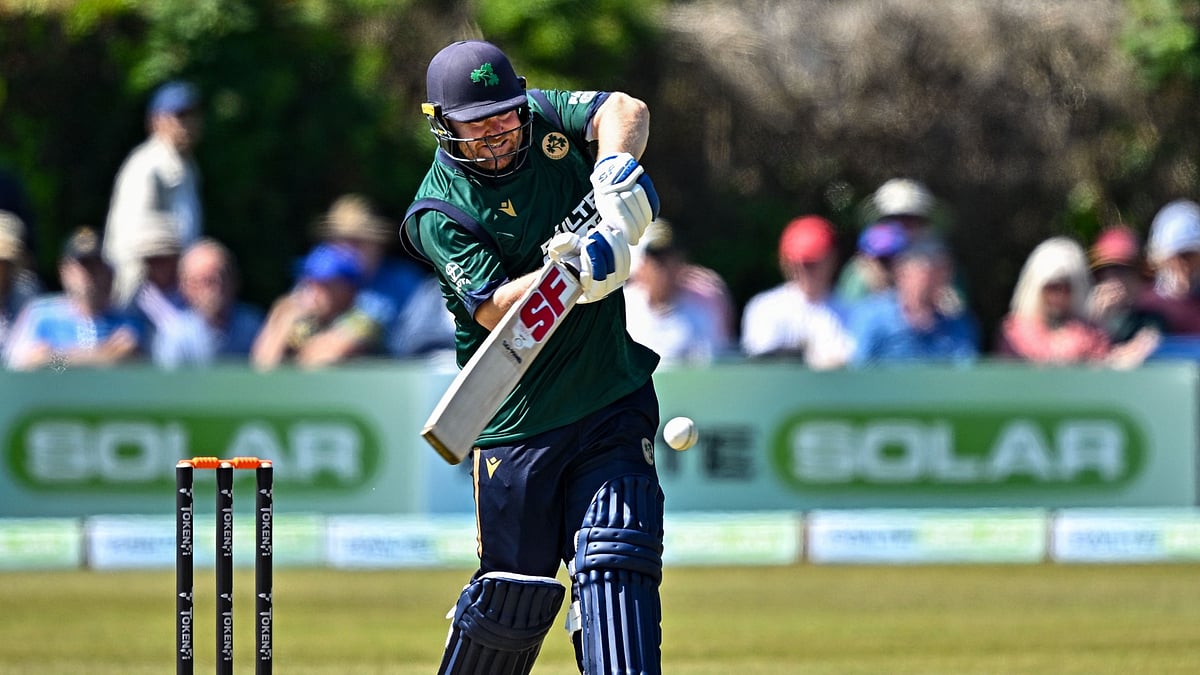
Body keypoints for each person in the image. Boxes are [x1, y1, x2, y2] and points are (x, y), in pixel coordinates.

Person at [401, 40, 665, 674]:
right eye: (477, 122)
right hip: (515, 423)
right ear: (443, 125)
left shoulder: (542, 118)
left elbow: (625, 108)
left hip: (609, 398)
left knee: (616, 565)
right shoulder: (439, 210)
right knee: (512, 605)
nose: (497, 132)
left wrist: (613, 170)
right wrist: (573, 266)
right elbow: (495, 308)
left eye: (505, 114)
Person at [313, 194, 454, 357]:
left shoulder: (397, 282)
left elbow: (326, 355)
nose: (346, 251)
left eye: (357, 242)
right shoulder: (320, 285)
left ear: (378, 245)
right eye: (339, 241)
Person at [103, 80, 204, 306]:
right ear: (156, 121)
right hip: (145, 287)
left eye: (193, 115)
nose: (188, 124)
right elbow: (134, 239)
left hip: (175, 284)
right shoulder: (148, 166)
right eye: (179, 116)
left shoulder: (186, 166)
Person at [997, 236, 1158, 368]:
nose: (1059, 295)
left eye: (1067, 287)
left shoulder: (1089, 335)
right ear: (1036, 288)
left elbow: (1106, 369)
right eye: (1052, 287)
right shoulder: (1013, 335)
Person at [4, 227, 142, 370]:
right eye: (83, 265)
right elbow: (22, 363)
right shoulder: (41, 314)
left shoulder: (126, 322)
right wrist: (104, 356)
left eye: (96, 265)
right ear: (64, 271)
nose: (90, 274)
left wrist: (55, 357)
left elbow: (136, 360)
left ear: (110, 272)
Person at [741, 215, 855, 369]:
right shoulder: (765, 307)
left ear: (832, 258)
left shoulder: (851, 309)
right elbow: (761, 362)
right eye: (799, 263)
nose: (805, 270)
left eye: (813, 263)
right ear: (785, 263)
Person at [849, 238, 979, 366]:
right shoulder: (872, 317)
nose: (936, 280)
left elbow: (965, 371)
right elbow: (857, 369)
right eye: (927, 271)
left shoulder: (957, 324)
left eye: (943, 271)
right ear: (902, 273)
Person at [251, 242, 378, 370]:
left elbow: (318, 361)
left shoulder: (363, 321)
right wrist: (284, 320)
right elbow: (262, 365)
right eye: (309, 279)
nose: (311, 288)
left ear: (347, 288)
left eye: (323, 283)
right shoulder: (298, 316)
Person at [625, 219, 730, 365]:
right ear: (640, 264)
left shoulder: (702, 310)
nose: (665, 267)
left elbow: (713, 370)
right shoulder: (622, 309)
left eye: (670, 256)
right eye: (656, 259)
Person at [154, 237, 263, 368]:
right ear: (185, 287)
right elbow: (168, 385)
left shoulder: (253, 326)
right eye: (205, 281)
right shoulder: (175, 336)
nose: (214, 290)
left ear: (234, 280)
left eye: (221, 277)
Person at [1085, 225, 1166, 347]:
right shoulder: (1084, 321)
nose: (1113, 279)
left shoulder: (1151, 321)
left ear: (1139, 277)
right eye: (1105, 271)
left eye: (1122, 270)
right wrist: (1096, 321)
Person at [1138, 199, 1200, 336]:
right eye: (1177, 256)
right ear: (1159, 259)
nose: (1183, 265)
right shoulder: (1144, 307)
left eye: (1190, 255)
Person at [0, 211, 40, 353]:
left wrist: (47, 359)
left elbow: (60, 365)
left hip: (24, 374)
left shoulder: (29, 294)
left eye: (5, 263)